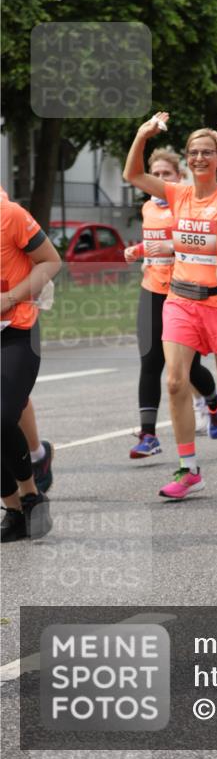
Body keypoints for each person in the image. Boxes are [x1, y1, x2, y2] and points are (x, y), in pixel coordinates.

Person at [123, 115, 217, 499]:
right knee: (174, 380)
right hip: (180, 300)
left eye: (207, 153)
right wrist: (142, 134)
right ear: (188, 159)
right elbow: (133, 173)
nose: (200, 158)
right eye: (194, 153)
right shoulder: (177, 194)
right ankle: (189, 469)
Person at [123, 147, 217, 461]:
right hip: (152, 288)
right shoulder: (148, 209)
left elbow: (198, 242)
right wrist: (139, 251)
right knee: (150, 361)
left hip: (181, 292)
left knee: (188, 369)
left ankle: (213, 400)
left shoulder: (186, 203)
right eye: (157, 174)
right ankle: (149, 434)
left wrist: (170, 248)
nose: (161, 179)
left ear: (178, 177)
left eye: (167, 174)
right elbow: (154, 242)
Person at [1, 192, 61, 542]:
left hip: (16, 332)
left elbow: (50, 261)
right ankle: (13, 510)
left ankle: (30, 494)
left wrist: (10, 297)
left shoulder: (9, 214)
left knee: (2, 415)